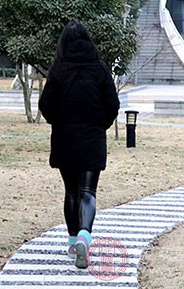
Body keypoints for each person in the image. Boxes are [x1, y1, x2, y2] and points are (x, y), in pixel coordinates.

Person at [39, 20, 120, 269]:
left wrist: (59, 123)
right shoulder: (100, 68)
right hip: (92, 138)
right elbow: (113, 105)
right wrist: (100, 125)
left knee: (71, 192)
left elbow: (45, 105)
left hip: (65, 138)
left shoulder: (58, 69)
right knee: (88, 192)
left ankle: (74, 242)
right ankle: (86, 234)